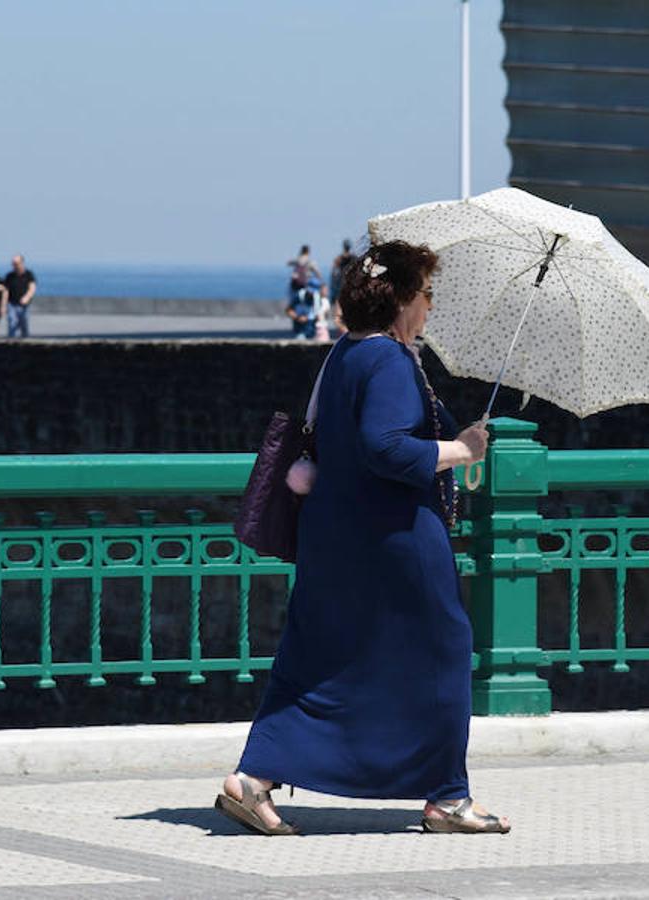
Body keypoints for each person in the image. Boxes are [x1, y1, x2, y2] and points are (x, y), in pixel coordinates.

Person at [217, 240, 506, 836]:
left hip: (334, 533)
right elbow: (386, 447)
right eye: (426, 294)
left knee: (322, 657)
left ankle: (253, 778)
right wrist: (463, 450)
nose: (430, 306)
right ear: (400, 300)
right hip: (393, 537)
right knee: (443, 649)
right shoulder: (391, 361)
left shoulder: (344, 354)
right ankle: (447, 797)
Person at [3, 254, 37, 338]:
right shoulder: (9, 276)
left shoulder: (29, 274)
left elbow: (32, 288)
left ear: (21, 263)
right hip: (12, 303)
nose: (14, 265)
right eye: (13, 264)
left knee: (23, 323)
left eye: (16, 263)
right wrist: (3, 305)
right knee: (12, 321)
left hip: (24, 304)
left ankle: (25, 340)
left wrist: (27, 297)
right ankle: (11, 341)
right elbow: (5, 291)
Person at [329, 238, 355, 303]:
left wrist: (333, 283)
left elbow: (333, 271)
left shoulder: (339, 258)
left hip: (342, 280)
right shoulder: (353, 257)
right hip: (350, 280)